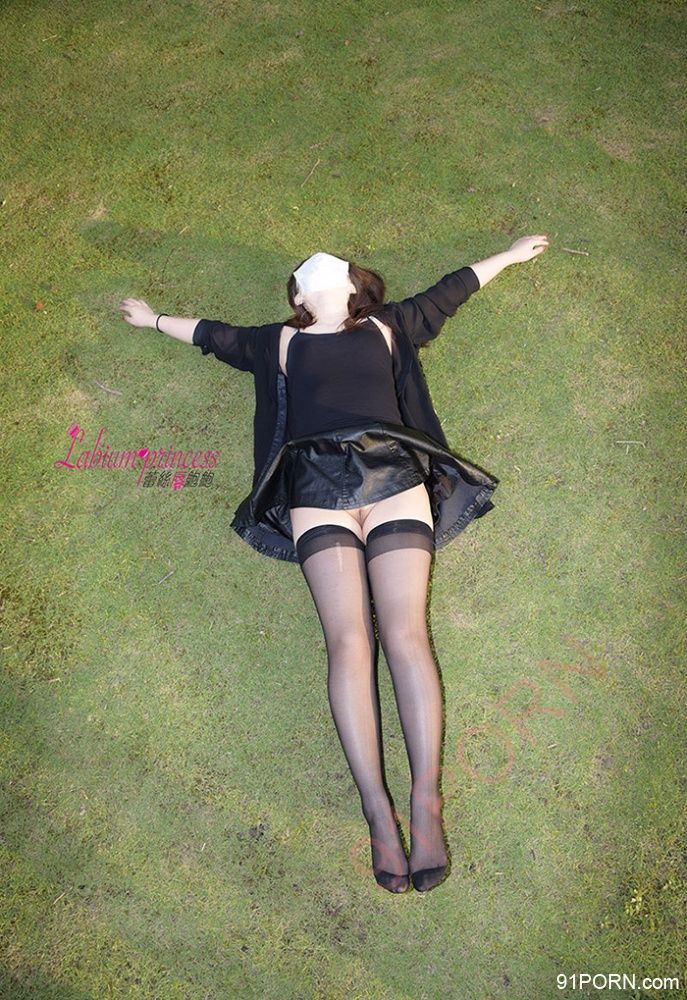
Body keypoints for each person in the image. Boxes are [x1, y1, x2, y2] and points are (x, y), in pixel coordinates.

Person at [119, 234, 549, 894]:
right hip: (314, 486)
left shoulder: (388, 325)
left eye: (334, 270)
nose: (319, 270)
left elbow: (450, 291)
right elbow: (213, 336)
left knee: (405, 634)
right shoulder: (277, 342)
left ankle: (425, 802)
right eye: (305, 274)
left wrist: (510, 256)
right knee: (348, 642)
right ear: (297, 296)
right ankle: (377, 812)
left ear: (354, 288)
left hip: (393, 473)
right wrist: (153, 319)